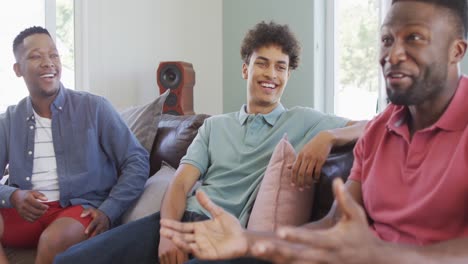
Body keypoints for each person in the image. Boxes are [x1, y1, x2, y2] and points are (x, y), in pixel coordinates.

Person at [159, 0, 468, 263]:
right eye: (387, 40)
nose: (393, 54)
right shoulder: (379, 132)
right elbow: (334, 223)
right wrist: (249, 240)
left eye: (414, 38)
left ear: (457, 50)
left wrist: (381, 254)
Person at [54, 21, 366, 264]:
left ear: (287, 75)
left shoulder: (303, 120)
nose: (271, 73)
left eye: (280, 67)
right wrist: (168, 234)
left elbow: (372, 125)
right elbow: (179, 185)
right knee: (70, 259)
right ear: (246, 69)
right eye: (262, 63)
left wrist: (329, 135)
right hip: (177, 220)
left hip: (224, 233)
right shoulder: (214, 126)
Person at [0, 26, 149, 264]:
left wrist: (109, 210)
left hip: (79, 208)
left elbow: (136, 160)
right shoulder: (9, 120)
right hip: (26, 212)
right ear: (18, 69)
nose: (48, 62)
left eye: (54, 54)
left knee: (53, 240)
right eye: (36, 56)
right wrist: (13, 195)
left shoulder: (95, 108)